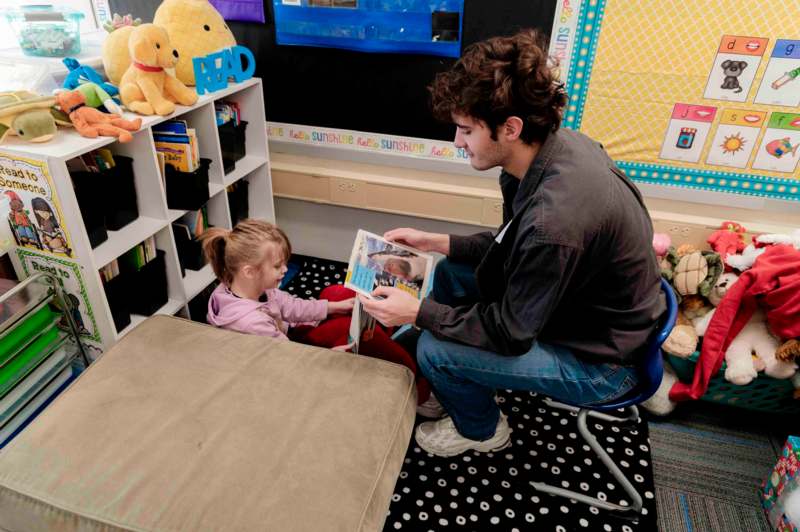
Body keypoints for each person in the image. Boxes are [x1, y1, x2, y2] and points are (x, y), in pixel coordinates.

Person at [359, 29, 665, 458]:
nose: (457, 142)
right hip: (588, 311)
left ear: (510, 127)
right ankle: (456, 378)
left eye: (466, 130)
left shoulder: (553, 222)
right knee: (449, 271)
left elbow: (511, 333)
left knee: (435, 348)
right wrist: (437, 241)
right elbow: (512, 245)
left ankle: (482, 429)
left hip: (603, 365)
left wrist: (421, 312)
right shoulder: (555, 150)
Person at [200, 219, 432, 403]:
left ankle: (381, 321)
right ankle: (417, 387)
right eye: (277, 266)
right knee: (348, 330)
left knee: (338, 294)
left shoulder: (245, 285)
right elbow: (292, 361)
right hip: (287, 358)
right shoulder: (251, 323)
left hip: (285, 336)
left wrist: (335, 306)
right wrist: (329, 359)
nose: (285, 270)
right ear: (250, 271)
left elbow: (291, 306)